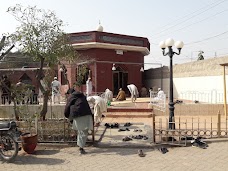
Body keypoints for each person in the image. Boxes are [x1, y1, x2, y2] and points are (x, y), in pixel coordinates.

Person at [64, 87, 93, 155]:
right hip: (87, 115)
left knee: (81, 131)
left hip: (79, 115)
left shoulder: (71, 97)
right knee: (84, 131)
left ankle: (81, 147)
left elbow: (67, 107)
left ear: (69, 93)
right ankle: (81, 146)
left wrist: (66, 115)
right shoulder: (82, 96)